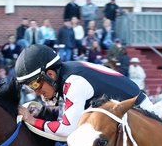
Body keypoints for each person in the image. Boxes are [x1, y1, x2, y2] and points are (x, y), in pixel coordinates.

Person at [15, 44, 154, 139]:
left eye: (35, 84)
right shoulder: (67, 73)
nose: (36, 92)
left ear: (50, 75)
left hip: (141, 118)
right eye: (30, 87)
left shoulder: (73, 83)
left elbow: (67, 130)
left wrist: (32, 120)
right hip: (130, 114)